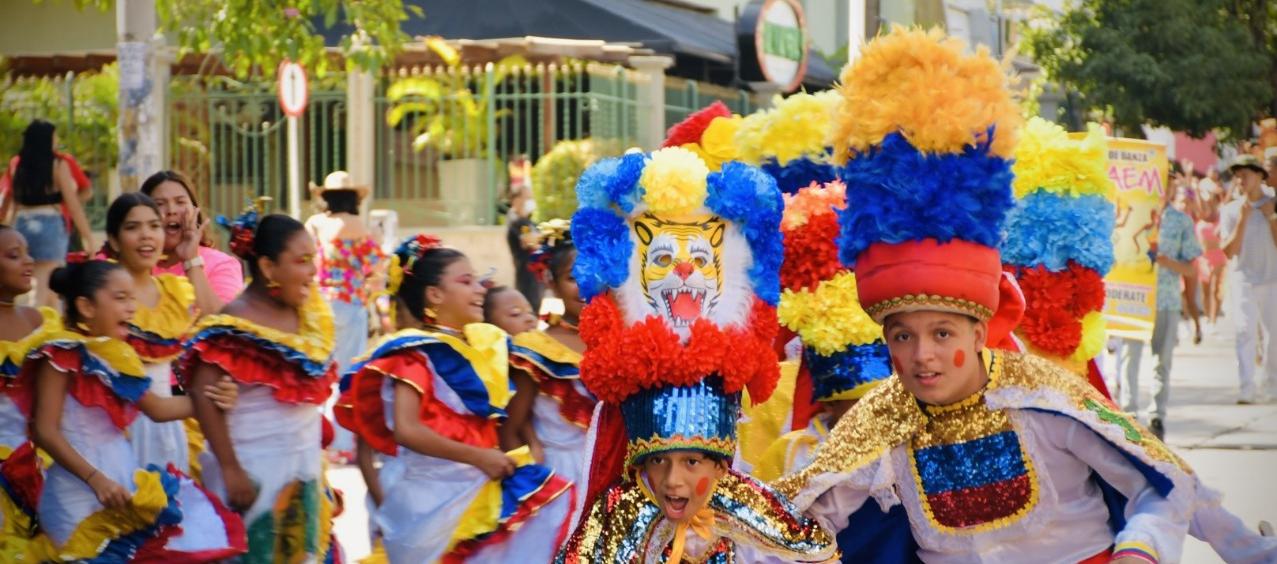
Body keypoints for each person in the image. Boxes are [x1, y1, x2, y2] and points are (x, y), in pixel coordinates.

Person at [775, 28, 1203, 563]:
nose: (921, 355)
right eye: (903, 335)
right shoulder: (879, 419)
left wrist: (1139, 550)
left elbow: (1164, 486)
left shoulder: (1048, 400)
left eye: (942, 333)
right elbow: (797, 520)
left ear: (981, 331)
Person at [556, 147, 835, 562]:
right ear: (635, 467)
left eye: (692, 461)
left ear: (723, 468)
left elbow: (814, 549)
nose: (674, 482)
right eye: (659, 462)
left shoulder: (748, 507)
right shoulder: (619, 516)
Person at [339, 234, 574, 562]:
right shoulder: (414, 353)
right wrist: (479, 457)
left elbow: (512, 405)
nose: (480, 289)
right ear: (434, 295)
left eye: (478, 281)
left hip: (480, 487)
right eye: (467, 281)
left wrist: (527, 440)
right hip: (432, 495)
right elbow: (407, 429)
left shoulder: (485, 344)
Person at [22, 259, 245, 561]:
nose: (131, 308)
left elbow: (159, 409)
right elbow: (44, 430)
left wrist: (216, 398)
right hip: (76, 495)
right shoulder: (60, 355)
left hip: (122, 487)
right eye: (120, 298)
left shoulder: (116, 355)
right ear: (86, 307)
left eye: (132, 298)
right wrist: (95, 479)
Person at [176, 206, 342, 562]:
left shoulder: (309, 313)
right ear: (268, 268)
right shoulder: (235, 320)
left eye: (313, 259)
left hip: (301, 465)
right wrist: (231, 469)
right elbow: (203, 396)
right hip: (251, 469)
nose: (313, 271)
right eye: (301, 261)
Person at [755, 180, 892, 483]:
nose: (864, 422)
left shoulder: (905, 455)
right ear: (829, 408)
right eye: (854, 409)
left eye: (877, 408)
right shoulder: (794, 454)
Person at [100, 193, 214, 473]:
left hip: (172, 427)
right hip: (115, 428)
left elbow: (215, 321)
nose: (146, 236)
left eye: (154, 226)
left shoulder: (174, 291)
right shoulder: (101, 293)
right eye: (132, 227)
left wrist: (192, 259)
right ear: (114, 240)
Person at [505, 222, 596, 527]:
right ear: (551, 282)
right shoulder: (535, 348)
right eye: (572, 277)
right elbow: (509, 428)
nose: (585, 284)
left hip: (618, 481)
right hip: (559, 488)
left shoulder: (624, 342)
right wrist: (526, 484)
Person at [305, 170, 385, 462]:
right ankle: (341, 443)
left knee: (318, 371)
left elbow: (305, 260)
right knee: (345, 375)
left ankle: (317, 441)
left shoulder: (315, 225)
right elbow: (376, 267)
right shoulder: (360, 227)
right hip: (352, 303)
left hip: (319, 303)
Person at [0, 225, 62, 557]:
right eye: (14, 255)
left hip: (44, 461)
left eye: (26, 252)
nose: (28, 261)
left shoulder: (41, 322)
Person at [1132, 179, 1202, 438]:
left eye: (1166, 182)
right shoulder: (1131, 214)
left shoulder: (1181, 221)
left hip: (1167, 301)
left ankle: (1156, 417)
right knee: (1130, 360)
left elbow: (1191, 269)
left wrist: (1166, 261)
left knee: (1162, 361)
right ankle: (1128, 415)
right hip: (1134, 302)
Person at [5, 120, 95, 308]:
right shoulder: (58, 164)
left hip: (22, 224)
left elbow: (12, 202)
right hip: (49, 224)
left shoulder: (17, 165)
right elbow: (73, 204)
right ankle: (37, 327)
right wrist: (88, 237)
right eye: (54, 136)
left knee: (37, 282)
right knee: (45, 282)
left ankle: (46, 321)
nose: (57, 140)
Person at [140, 170, 243, 307]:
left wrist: (191, 261)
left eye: (180, 202)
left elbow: (223, 325)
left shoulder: (222, 264)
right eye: (159, 204)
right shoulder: (127, 264)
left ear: (195, 210)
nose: (171, 210)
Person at [1221, 154, 1277, 404]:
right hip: (1243, 278)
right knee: (1244, 330)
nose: (1241, 180)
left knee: (1273, 333)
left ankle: (1271, 383)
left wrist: (1271, 217)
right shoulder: (1232, 209)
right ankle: (1246, 386)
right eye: (1238, 175)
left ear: (1259, 176)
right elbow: (1228, 251)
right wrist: (1242, 220)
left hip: (1271, 277)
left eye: (1246, 174)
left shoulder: (1273, 203)